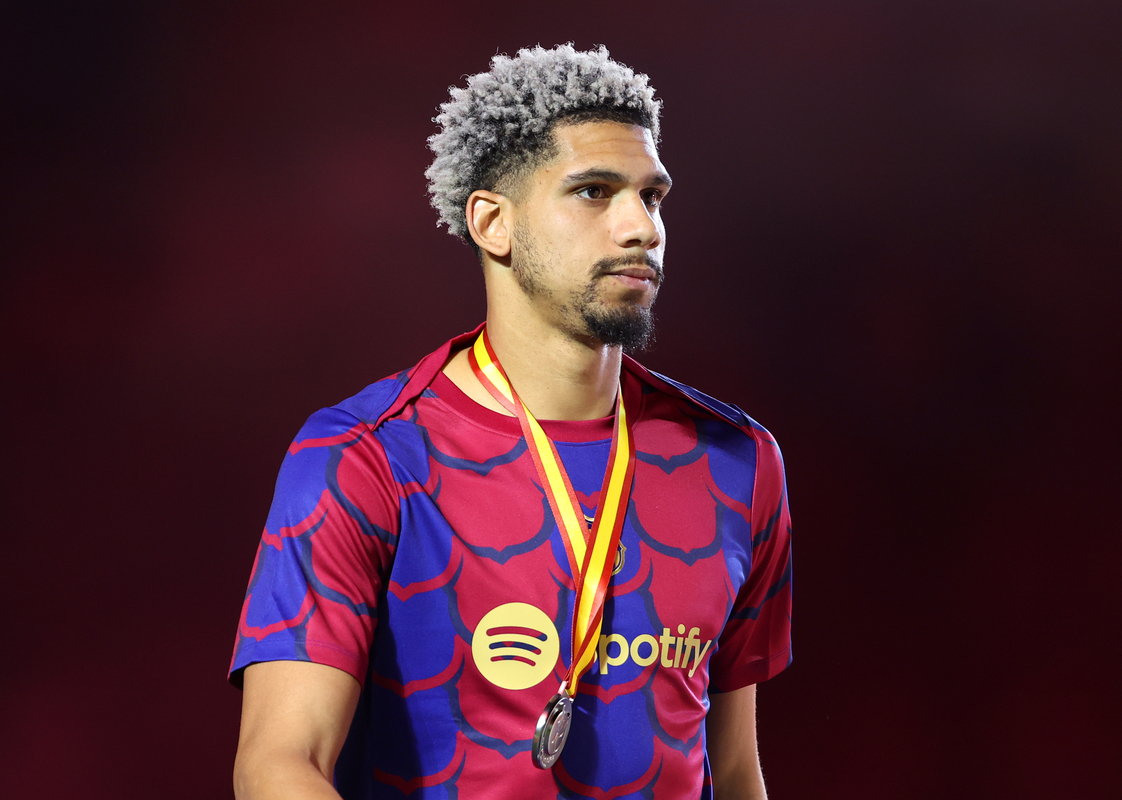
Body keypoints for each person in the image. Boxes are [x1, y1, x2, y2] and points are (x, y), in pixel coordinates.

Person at [230, 43, 792, 799]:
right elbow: (278, 767)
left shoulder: (738, 459)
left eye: (652, 197)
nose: (642, 227)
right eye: (595, 192)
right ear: (493, 223)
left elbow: (732, 770)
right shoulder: (366, 457)